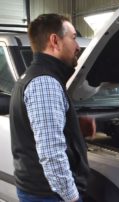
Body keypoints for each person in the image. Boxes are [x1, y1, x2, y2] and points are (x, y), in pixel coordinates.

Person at [9, 14, 90, 202]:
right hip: (49, 195)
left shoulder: (33, 76)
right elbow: (51, 153)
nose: (77, 46)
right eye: (73, 37)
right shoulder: (45, 82)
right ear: (55, 41)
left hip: (40, 191)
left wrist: (76, 129)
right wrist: (72, 197)